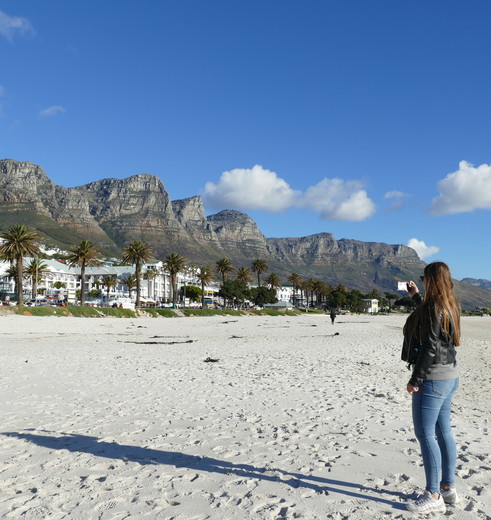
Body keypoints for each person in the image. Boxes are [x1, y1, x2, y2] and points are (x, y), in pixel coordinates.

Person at [403, 262, 461, 514]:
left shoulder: (433, 307)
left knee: (426, 435)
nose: (423, 281)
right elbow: (432, 323)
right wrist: (415, 296)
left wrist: (415, 379)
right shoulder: (450, 304)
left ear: (431, 280)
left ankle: (433, 494)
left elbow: (428, 346)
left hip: (432, 378)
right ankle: (447, 489)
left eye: (424, 278)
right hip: (450, 376)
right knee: (443, 432)